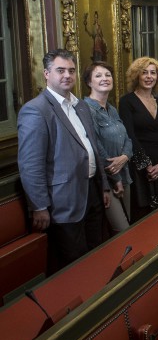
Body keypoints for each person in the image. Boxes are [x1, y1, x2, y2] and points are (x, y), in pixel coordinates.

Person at [19, 50, 110, 271]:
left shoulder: (81, 106)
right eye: (60, 70)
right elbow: (31, 165)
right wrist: (39, 206)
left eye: (71, 70)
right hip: (63, 201)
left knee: (97, 255)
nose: (67, 75)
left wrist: (104, 185)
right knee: (74, 265)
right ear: (46, 74)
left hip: (92, 192)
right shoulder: (36, 110)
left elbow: (92, 148)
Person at [120, 57, 158, 217]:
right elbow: (129, 135)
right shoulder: (127, 101)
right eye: (144, 72)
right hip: (138, 164)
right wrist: (146, 165)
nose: (149, 76)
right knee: (142, 212)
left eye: (153, 73)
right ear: (136, 75)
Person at [83, 61, 133, 232]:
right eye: (98, 76)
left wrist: (125, 156)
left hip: (124, 173)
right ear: (89, 82)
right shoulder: (86, 109)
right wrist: (116, 178)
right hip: (107, 179)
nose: (105, 78)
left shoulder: (112, 108)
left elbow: (127, 139)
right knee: (122, 230)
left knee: (129, 224)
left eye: (108, 75)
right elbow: (96, 146)